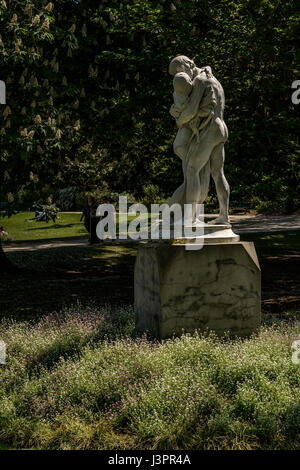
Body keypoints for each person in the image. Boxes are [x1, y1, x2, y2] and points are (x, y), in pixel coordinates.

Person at [168, 55, 230, 225]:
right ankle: (224, 216)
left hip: (209, 130)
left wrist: (178, 118)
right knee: (218, 173)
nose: (180, 78)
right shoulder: (211, 78)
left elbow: (191, 111)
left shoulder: (201, 81)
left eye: (180, 72)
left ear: (188, 65)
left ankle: (191, 218)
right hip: (221, 129)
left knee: (192, 169)